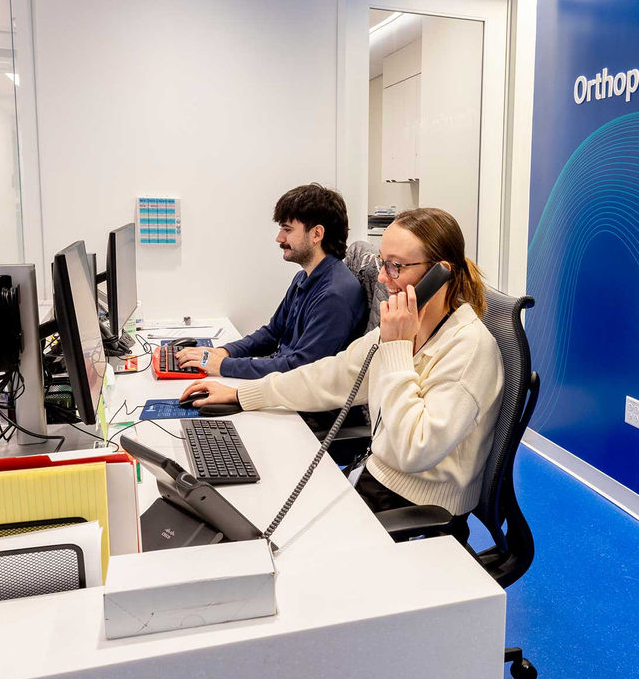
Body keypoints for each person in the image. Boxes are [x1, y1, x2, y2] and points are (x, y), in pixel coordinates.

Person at [181, 208, 504, 525]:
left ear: (440, 273)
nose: (382, 278)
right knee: (263, 502)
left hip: (418, 502)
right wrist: (244, 395)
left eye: (395, 267)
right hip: (375, 475)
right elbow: (330, 376)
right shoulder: (405, 328)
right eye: (382, 262)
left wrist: (396, 348)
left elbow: (413, 451)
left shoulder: (468, 349)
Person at [176, 183, 366, 378]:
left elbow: (301, 369)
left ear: (317, 234)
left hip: (299, 393)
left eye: (287, 230)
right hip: (282, 382)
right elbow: (272, 333)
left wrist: (223, 366)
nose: (279, 238)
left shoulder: (334, 296)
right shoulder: (304, 278)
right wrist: (224, 352)